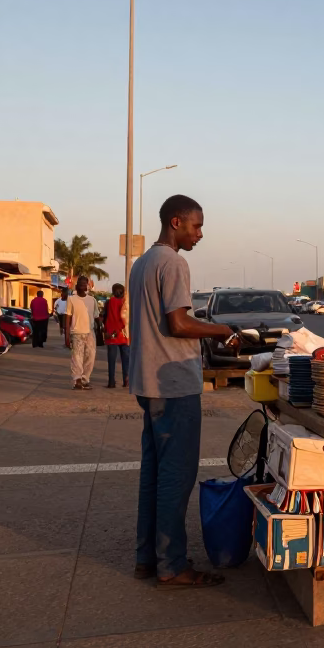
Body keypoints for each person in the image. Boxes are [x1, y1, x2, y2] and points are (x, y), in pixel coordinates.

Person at [129, 194, 238, 588]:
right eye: (196, 226)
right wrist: (222, 330)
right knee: (176, 478)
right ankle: (172, 565)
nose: (200, 234)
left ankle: (147, 558)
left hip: (148, 381)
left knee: (154, 475)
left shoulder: (142, 262)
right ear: (176, 223)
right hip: (173, 386)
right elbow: (178, 323)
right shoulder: (173, 262)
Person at [63, 276, 98, 390]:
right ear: (77, 285)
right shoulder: (71, 299)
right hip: (76, 333)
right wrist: (67, 336)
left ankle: (85, 379)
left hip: (90, 332)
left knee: (90, 357)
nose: (83, 285)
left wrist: (103, 327)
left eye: (85, 284)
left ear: (87, 286)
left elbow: (96, 317)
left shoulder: (92, 300)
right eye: (81, 283)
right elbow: (67, 317)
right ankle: (77, 380)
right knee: (77, 357)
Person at [102, 282, 130, 389]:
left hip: (112, 334)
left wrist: (105, 329)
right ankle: (126, 380)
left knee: (111, 360)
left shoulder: (109, 302)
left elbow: (104, 316)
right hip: (124, 334)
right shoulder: (126, 303)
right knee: (126, 359)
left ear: (113, 292)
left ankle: (111, 382)